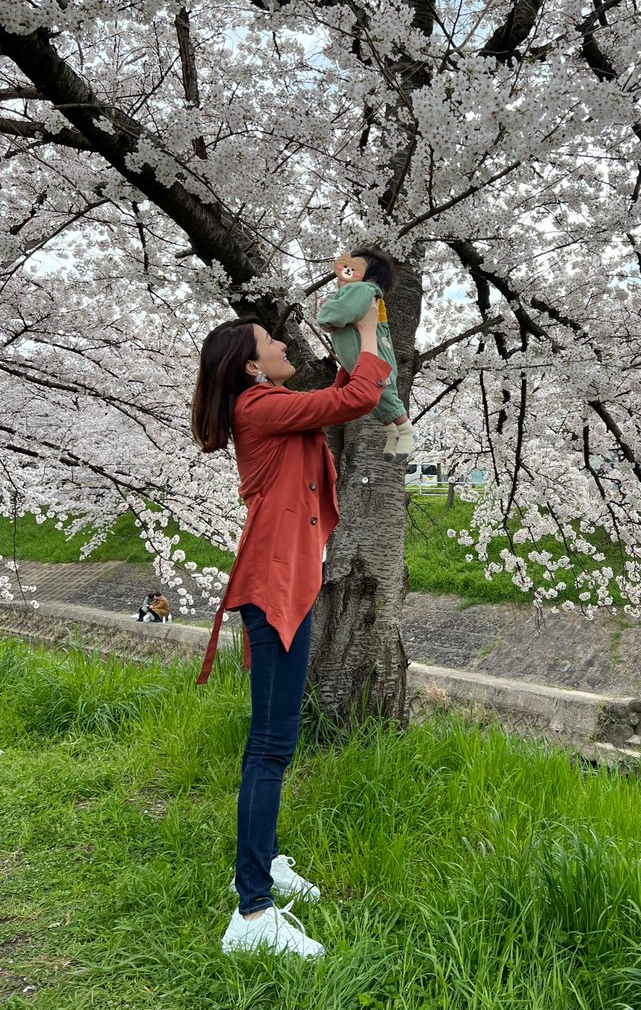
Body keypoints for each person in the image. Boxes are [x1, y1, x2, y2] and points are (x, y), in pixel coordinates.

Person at [191, 303, 392, 958]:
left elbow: (335, 396)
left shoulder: (269, 404)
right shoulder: (258, 406)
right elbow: (359, 397)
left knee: (276, 740)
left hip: (286, 584)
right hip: (274, 592)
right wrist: (367, 335)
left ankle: (266, 861)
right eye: (269, 340)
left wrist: (347, 344)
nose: (281, 343)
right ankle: (252, 913)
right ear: (251, 365)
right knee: (271, 745)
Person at [316, 247, 414, 461]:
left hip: (374, 359)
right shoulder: (354, 293)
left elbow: (340, 313)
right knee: (374, 399)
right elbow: (342, 311)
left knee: (385, 394)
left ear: (371, 277)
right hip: (361, 361)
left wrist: (326, 312)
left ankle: (406, 431)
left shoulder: (364, 290)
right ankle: (392, 433)